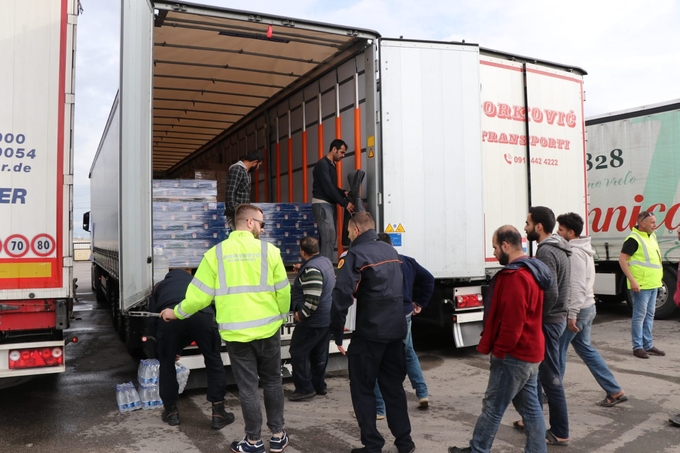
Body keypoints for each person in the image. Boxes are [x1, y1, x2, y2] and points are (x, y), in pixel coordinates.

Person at [160, 204, 291, 453]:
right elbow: (284, 291)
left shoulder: (215, 254)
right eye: (261, 224)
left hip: (237, 334)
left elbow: (198, 298)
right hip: (268, 330)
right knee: (273, 381)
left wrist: (175, 313)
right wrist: (281, 316)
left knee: (248, 387)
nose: (263, 229)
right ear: (249, 222)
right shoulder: (270, 251)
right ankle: (277, 435)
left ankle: (253, 441)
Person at [449, 225, 551, 453]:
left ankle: (478, 449)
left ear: (506, 245)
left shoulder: (516, 277)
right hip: (532, 350)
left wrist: (500, 351)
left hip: (515, 354)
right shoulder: (533, 269)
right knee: (530, 407)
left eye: (495, 247)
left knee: (493, 406)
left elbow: (513, 323)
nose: (494, 252)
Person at [330, 212, 415, 453]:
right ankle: (405, 442)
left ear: (356, 230)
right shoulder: (391, 252)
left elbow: (341, 295)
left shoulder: (355, 254)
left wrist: (336, 332)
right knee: (393, 388)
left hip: (369, 334)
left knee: (362, 389)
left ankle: (373, 445)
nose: (348, 235)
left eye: (348, 231)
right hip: (396, 331)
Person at [556, 213, 628, 407]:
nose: (558, 232)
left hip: (578, 310)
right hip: (587, 307)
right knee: (585, 349)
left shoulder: (574, 253)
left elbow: (577, 286)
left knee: (557, 351)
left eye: (561, 229)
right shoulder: (583, 249)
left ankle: (551, 391)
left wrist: (572, 315)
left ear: (571, 232)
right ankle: (614, 390)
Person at [149, 268, 235, 429]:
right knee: (213, 361)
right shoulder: (197, 282)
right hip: (202, 315)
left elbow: (152, 321)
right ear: (188, 273)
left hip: (170, 317)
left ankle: (171, 412)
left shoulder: (159, 286)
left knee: (166, 363)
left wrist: (171, 349)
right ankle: (218, 413)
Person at [519, 206, 571, 446]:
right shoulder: (559, 247)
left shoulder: (546, 251)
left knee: (551, 378)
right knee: (540, 375)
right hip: (557, 319)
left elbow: (551, 291)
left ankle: (560, 431)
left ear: (538, 226)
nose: (525, 228)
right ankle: (534, 419)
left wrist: (536, 317)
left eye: (528, 223)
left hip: (549, 321)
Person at [374, 232, 434, 417]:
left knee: (377, 360)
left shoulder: (378, 264)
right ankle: (422, 393)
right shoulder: (408, 261)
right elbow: (429, 279)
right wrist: (420, 303)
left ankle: (379, 408)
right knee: (409, 353)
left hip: (384, 318)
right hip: (405, 315)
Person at [288, 237, 335, 402]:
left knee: (298, 352)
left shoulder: (312, 269)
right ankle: (319, 386)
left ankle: (304, 388)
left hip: (312, 321)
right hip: (325, 318)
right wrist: (303, 268)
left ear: (303, 252)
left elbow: (313, 299)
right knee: (318, 354)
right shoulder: (325, 261)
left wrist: (301, 315)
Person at [618, 210, 665, 359]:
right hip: (641, 285)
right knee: (639, 316)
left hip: (653, 283)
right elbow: (622, 260)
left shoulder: (652, 236)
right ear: (642, 223)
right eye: (652, 222)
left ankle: (648, 344)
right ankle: (638, 347)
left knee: (649, 315)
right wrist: (632, 280)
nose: (655, 225)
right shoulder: (633, 239)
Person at [312, 139, 355, 261]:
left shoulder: (331, 165)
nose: (343, 155)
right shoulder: (322, 164)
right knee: (328, 237)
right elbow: (328, 187)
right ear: (334, 149)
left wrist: (343, 193)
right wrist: (345, 203)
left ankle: (324, 265)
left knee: (330, 238)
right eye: (342, 152)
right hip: (322, 204)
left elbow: (332, 186)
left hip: (329, 205)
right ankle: (326, 268)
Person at [225, 151, 262, 227]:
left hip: (243, 214)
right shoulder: (237, 169)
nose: (257, 168)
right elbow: (230, 193)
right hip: (236, 215)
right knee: (238, 233)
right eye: (258, 165)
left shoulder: (246, 173)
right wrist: (235, 212)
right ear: (254, 162)